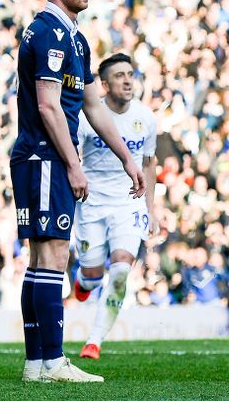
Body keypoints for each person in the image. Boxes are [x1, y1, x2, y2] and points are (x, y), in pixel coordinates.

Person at [11, 0, 145, 383]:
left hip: (43, 157)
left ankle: (37, 363)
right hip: (45, 155)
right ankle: (53, 361)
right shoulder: (48, 33)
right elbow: (50, 107)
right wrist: (74, 164)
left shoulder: (77, 39)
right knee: (51, 256)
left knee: (41, 257)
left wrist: (126, 156)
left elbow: (92, 105)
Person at [72, 52, 159, 359]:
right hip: (91, 204)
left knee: (121, 269)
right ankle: (84, 281)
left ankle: (94, 341)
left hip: (128, 202)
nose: (127, 80)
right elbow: (74, 157)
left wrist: (151, 209)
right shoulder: (86, 117)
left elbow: (149, 164)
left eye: (130, 74)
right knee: (93, 275)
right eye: (119, 75)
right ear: (104, 85)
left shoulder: (146, 117)